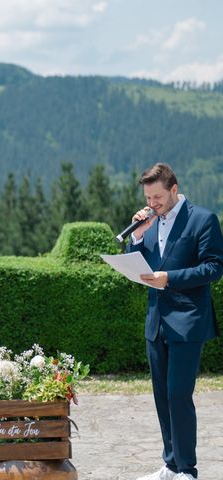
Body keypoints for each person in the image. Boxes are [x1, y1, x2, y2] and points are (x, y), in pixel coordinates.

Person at [127, 163, 223, 480]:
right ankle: (170, 465)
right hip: (156, 322)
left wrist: (170, 279)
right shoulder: (151, 224)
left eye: (157, 197)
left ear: (173, 189)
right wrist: (137, 238)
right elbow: (141, 265)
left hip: (188, 321)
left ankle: (188, 470)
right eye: (147, 198)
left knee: (178, 395)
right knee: (161, 396)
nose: (151, 204)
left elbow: (213, 268)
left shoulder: (202, 219)